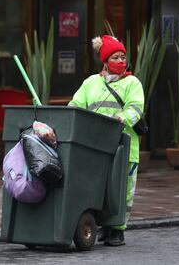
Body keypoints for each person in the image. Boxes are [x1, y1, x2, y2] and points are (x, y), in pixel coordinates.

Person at [68, 35, 144, 246]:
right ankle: (105, 226)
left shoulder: (132, 83)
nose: (121, 61)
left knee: (121, 189)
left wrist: (120, 118)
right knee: (99, 189)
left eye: (123, 57)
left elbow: (135, 108)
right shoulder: (91, 83)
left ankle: (118, 228)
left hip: (125, 147)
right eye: (115, 57)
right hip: (96, 148)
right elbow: (75, 105)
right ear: (105, 61)